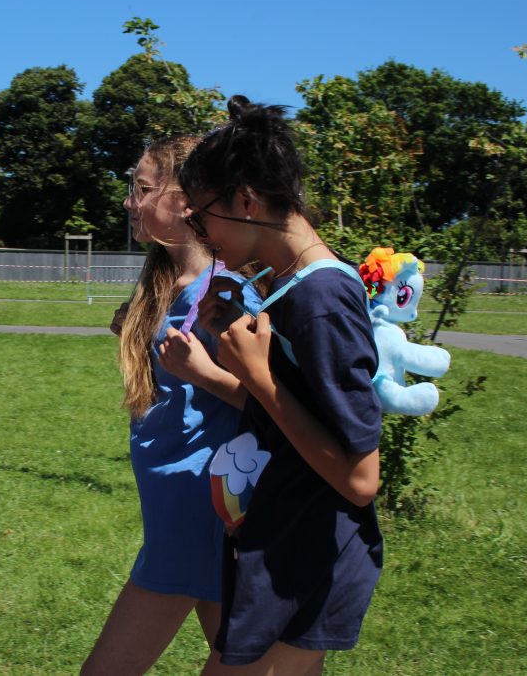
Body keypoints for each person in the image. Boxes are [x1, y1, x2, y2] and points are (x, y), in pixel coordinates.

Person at [177, 96, 384, 676]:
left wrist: (261, 377)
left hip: (310, 555)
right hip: (285, 541)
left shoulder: (322, 299)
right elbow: (294, 415)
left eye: (201, 217)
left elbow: (361, 479)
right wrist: (236, 344)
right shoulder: (289, 286)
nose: (199, 233)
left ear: (246, 200)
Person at [81, 135, 261, 675]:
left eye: (141, 189)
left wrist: (201, 373)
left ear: (185, 202)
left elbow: (271, 404)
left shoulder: (226, 295)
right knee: (239, 662)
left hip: (197, 510)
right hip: (177, 509)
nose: (128, 201)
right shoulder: (166, 285)